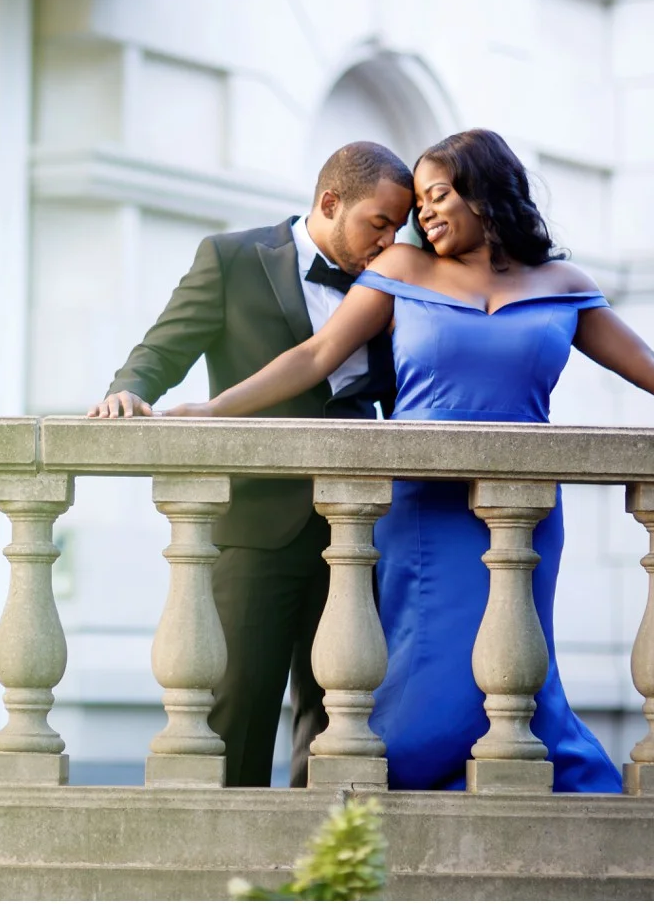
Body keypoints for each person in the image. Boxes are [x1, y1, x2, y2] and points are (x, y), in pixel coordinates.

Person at [162, 128, 654, 791]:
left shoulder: (563, 282)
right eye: (418, 203)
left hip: (522, 511)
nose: (423, 215)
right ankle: (398, 789)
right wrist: (214, 411)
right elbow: (314, 356)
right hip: (422, 512)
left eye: (437, 195)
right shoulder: (401, 271)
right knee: (418, 659)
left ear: (484, 193)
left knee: (515, 668)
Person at [88, 141, 416, 788]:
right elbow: (165, 346)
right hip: (254, 523)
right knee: (235, 714)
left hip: (357, 528)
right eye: (379, 223)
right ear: (331, 202)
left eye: (398, 228)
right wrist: (128, 390)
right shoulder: (231, 258)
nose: (388, 241)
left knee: (341, 723)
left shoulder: (392, 282)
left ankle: (326, 851)